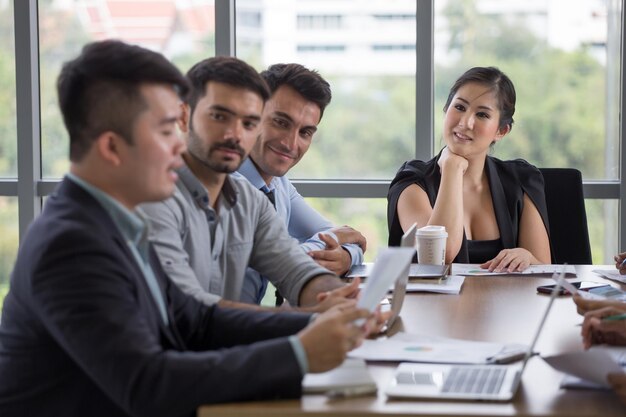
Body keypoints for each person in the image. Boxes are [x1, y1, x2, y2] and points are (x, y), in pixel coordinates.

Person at [0, 40, 373, 417]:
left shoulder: (116, 223)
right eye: (165, 132)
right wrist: (300, 353)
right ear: (112, 148)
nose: (178, 150)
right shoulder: (73, 245)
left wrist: (319, 320)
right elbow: (148, 384)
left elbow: (197, 318)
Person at [140, 56, 358, 311]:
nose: (236, 135)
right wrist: (299, 318)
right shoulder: (154, 198)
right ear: (184, 115)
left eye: (249, 123)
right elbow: (190, 312)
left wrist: (339, 300)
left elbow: (296, 270)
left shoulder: (251, 199)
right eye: (219, 117)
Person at [387, 66, 551, 272]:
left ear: (501, 131)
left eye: (482, 114)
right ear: (446, 110)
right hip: (431, 305)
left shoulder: (522, 180)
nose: (465, 122)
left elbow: (545, 268)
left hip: (508, 303)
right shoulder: (411, 182)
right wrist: (451, 170)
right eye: (460, 107)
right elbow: (439, 256)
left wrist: (527, 256)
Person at [235, 63, 366, 304]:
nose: (290, 143)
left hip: (252, 326)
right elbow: (280, 263)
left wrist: (345, 256)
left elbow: (345, 236)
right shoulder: (228, 185)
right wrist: (335, 240)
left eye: (305, 132)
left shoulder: (279, 185)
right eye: (281, 122)